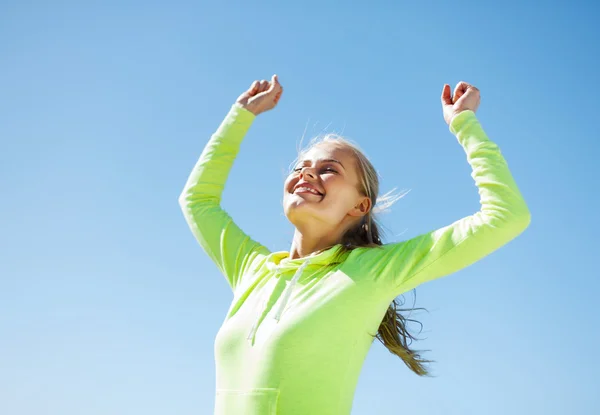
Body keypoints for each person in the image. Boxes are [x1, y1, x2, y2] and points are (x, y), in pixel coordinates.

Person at [178, 75, 531, 415]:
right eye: (300, 166)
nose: (306, 174)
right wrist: (241, 115)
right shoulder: (252, 269)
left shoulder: (373, 271)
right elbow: (197, 201)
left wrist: (464, 123)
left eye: (329, 169)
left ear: (360, 206)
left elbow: (506, 215)